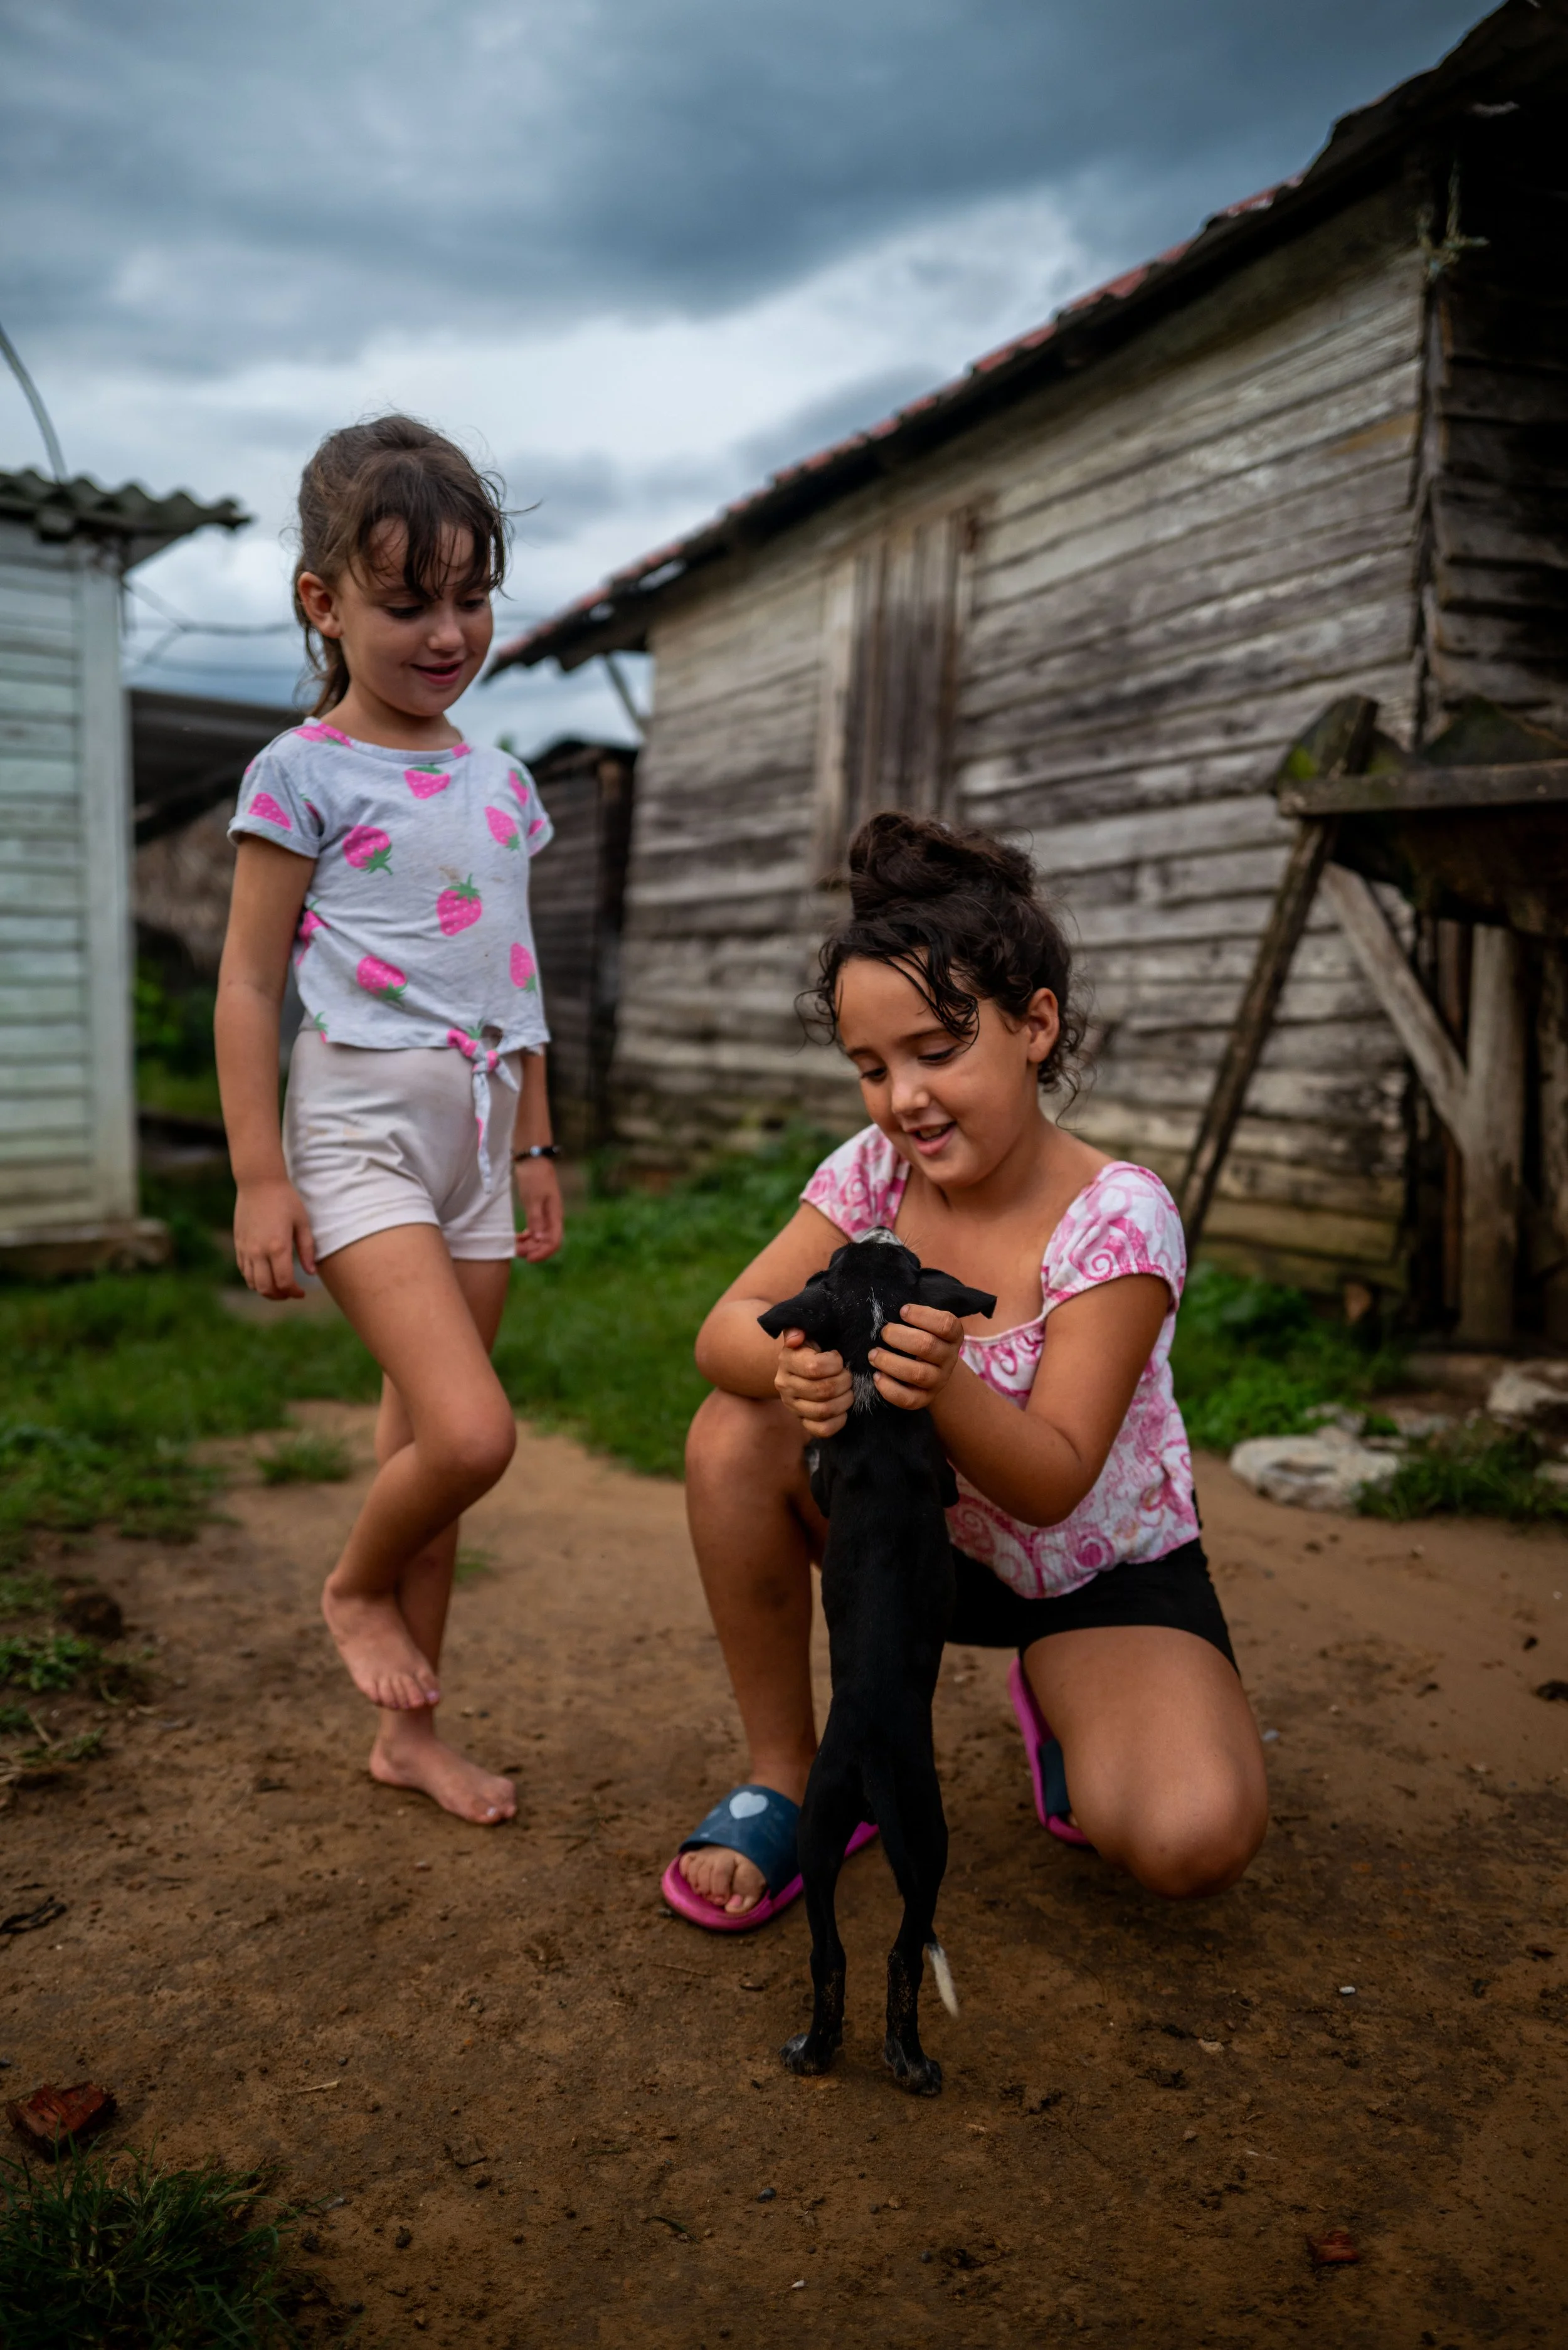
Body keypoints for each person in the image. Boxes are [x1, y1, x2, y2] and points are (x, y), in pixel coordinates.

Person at [664, 811, 1267, 1927]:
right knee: (734, 1425)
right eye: (871, 1067)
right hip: (906, 1543)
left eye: (939, 1051)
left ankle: (1060, 1699)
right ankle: (795, 1777)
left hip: (1091, 1574)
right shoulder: (875, 1175)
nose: (905, 1099)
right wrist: (790, 1360)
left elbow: (1052, 1479)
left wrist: (941, 1382)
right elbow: (725, 1325)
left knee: (1193, 1840)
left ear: (1035, 1024)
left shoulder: (1117, 1217)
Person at [215, 416, 562, 1826]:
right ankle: (352, 1586)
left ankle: (411, 1732)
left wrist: (537, 1145)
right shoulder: (300, 774)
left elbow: (522, 985)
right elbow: (245, 984)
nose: (447, 632)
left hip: (481, 1140)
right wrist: (255, 1174)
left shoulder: (505, 785)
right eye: (408, 602)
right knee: (472, 1436)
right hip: (358, 1131)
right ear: (325, 601)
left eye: (470, 596)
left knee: (425, 1451)